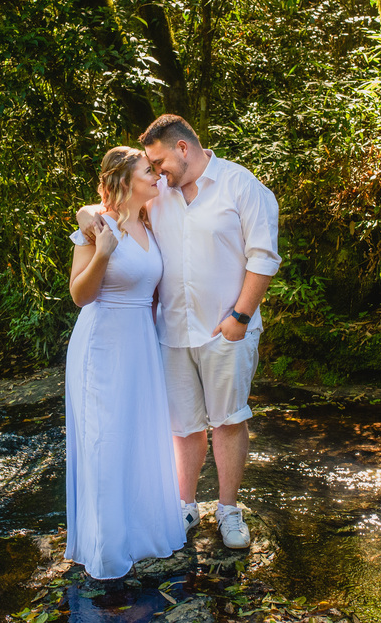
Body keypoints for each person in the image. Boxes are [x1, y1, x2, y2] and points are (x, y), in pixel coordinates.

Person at [78, 115, 280, 550]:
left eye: (159, 160)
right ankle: (185, 504)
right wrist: (85, 216)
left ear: (183, 149)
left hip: (225, 328)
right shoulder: (160, 193)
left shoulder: (241, 186)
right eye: (149, 165)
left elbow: (263, 258)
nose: (156, 170)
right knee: (183, 425)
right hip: (169, 331)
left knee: (228, 419)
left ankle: (228, 508)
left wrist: (239, 319)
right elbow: (110, 207)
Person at [63, 146, 186, 580]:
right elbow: (79, 295)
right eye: (147, 171)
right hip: (102, 343)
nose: (156, 176)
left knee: (137, 435)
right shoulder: (99, 226)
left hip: (140, 343)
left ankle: (140, 533)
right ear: (122, 180)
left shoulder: (149, 221)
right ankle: (107, 550)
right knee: (105, 439)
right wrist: (102, 250)